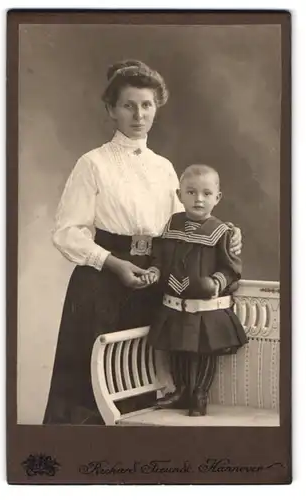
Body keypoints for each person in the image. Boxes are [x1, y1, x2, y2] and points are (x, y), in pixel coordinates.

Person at [43, 60, 242, 425]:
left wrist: (226, 234)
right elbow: (67, 231)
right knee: (89, 389)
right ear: (111, 111)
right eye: (128, 105)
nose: (138, 115)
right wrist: (113, 264)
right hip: (101, 282)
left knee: (141, 382)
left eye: (146, 105)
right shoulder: (93, 163)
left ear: (156, 108)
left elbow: (188, 226)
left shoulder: (164, 167)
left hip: (152, 279)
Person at [142, 164, 248, 416]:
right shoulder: (172, 225)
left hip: (204, 308)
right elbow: (160, 257)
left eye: (206, 193)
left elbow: (232, 269)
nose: (198, 199)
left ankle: (199, 393)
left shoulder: (222, 232)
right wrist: (155, 271)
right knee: (176, 348)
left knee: (202, 353)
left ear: (217, 198)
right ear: (179, 196)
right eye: (190, 192)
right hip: (175, 305)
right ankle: (181, 392)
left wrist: (216, 282)